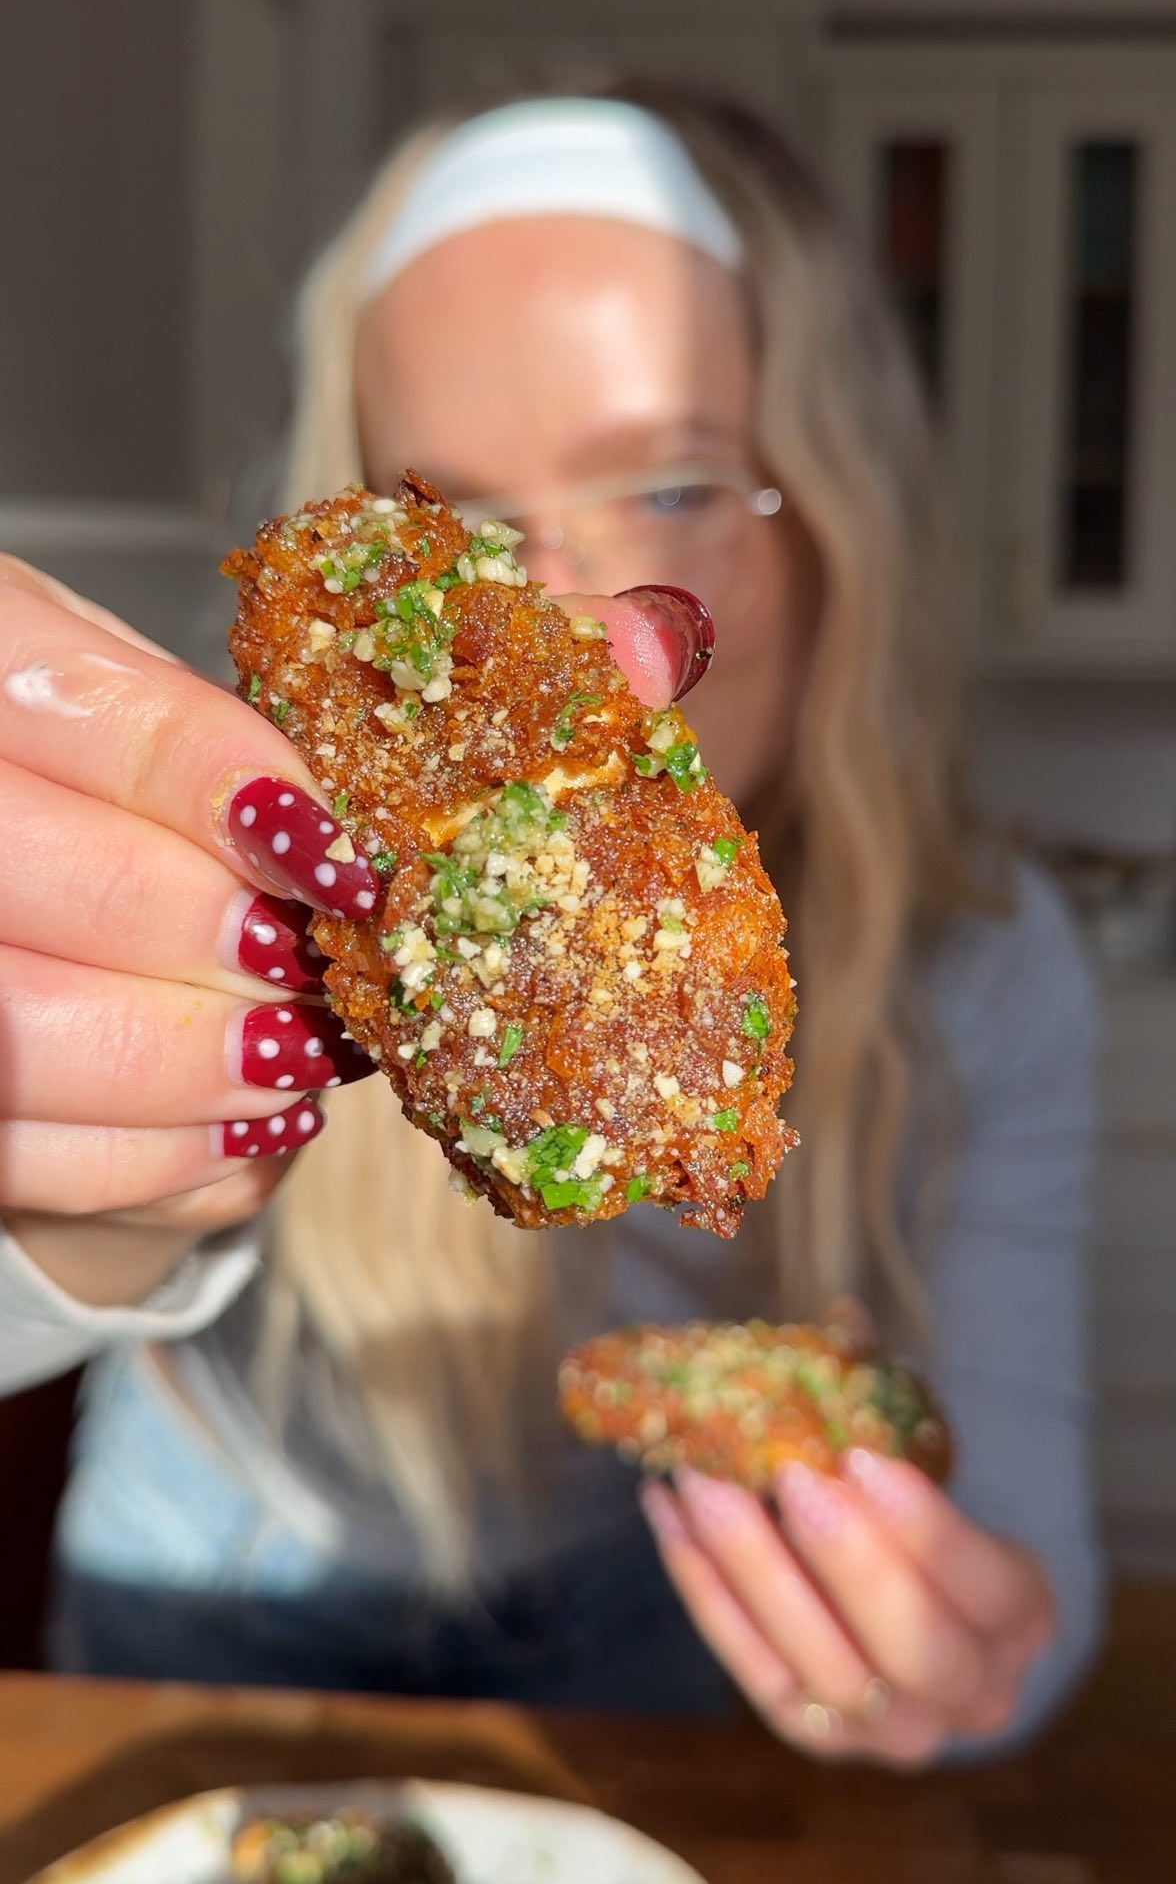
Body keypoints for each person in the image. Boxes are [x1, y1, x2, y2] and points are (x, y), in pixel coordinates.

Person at [0, 87, 1102, 1765]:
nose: (558, 597)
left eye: (666, 487)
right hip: (215, 1585)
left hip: (664, 1614)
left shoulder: (989, 953)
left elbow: (1034, 1559)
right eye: (456, 523)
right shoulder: (227, 806)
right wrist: (91, 1219)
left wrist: (955, 1654)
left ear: (835, 507)